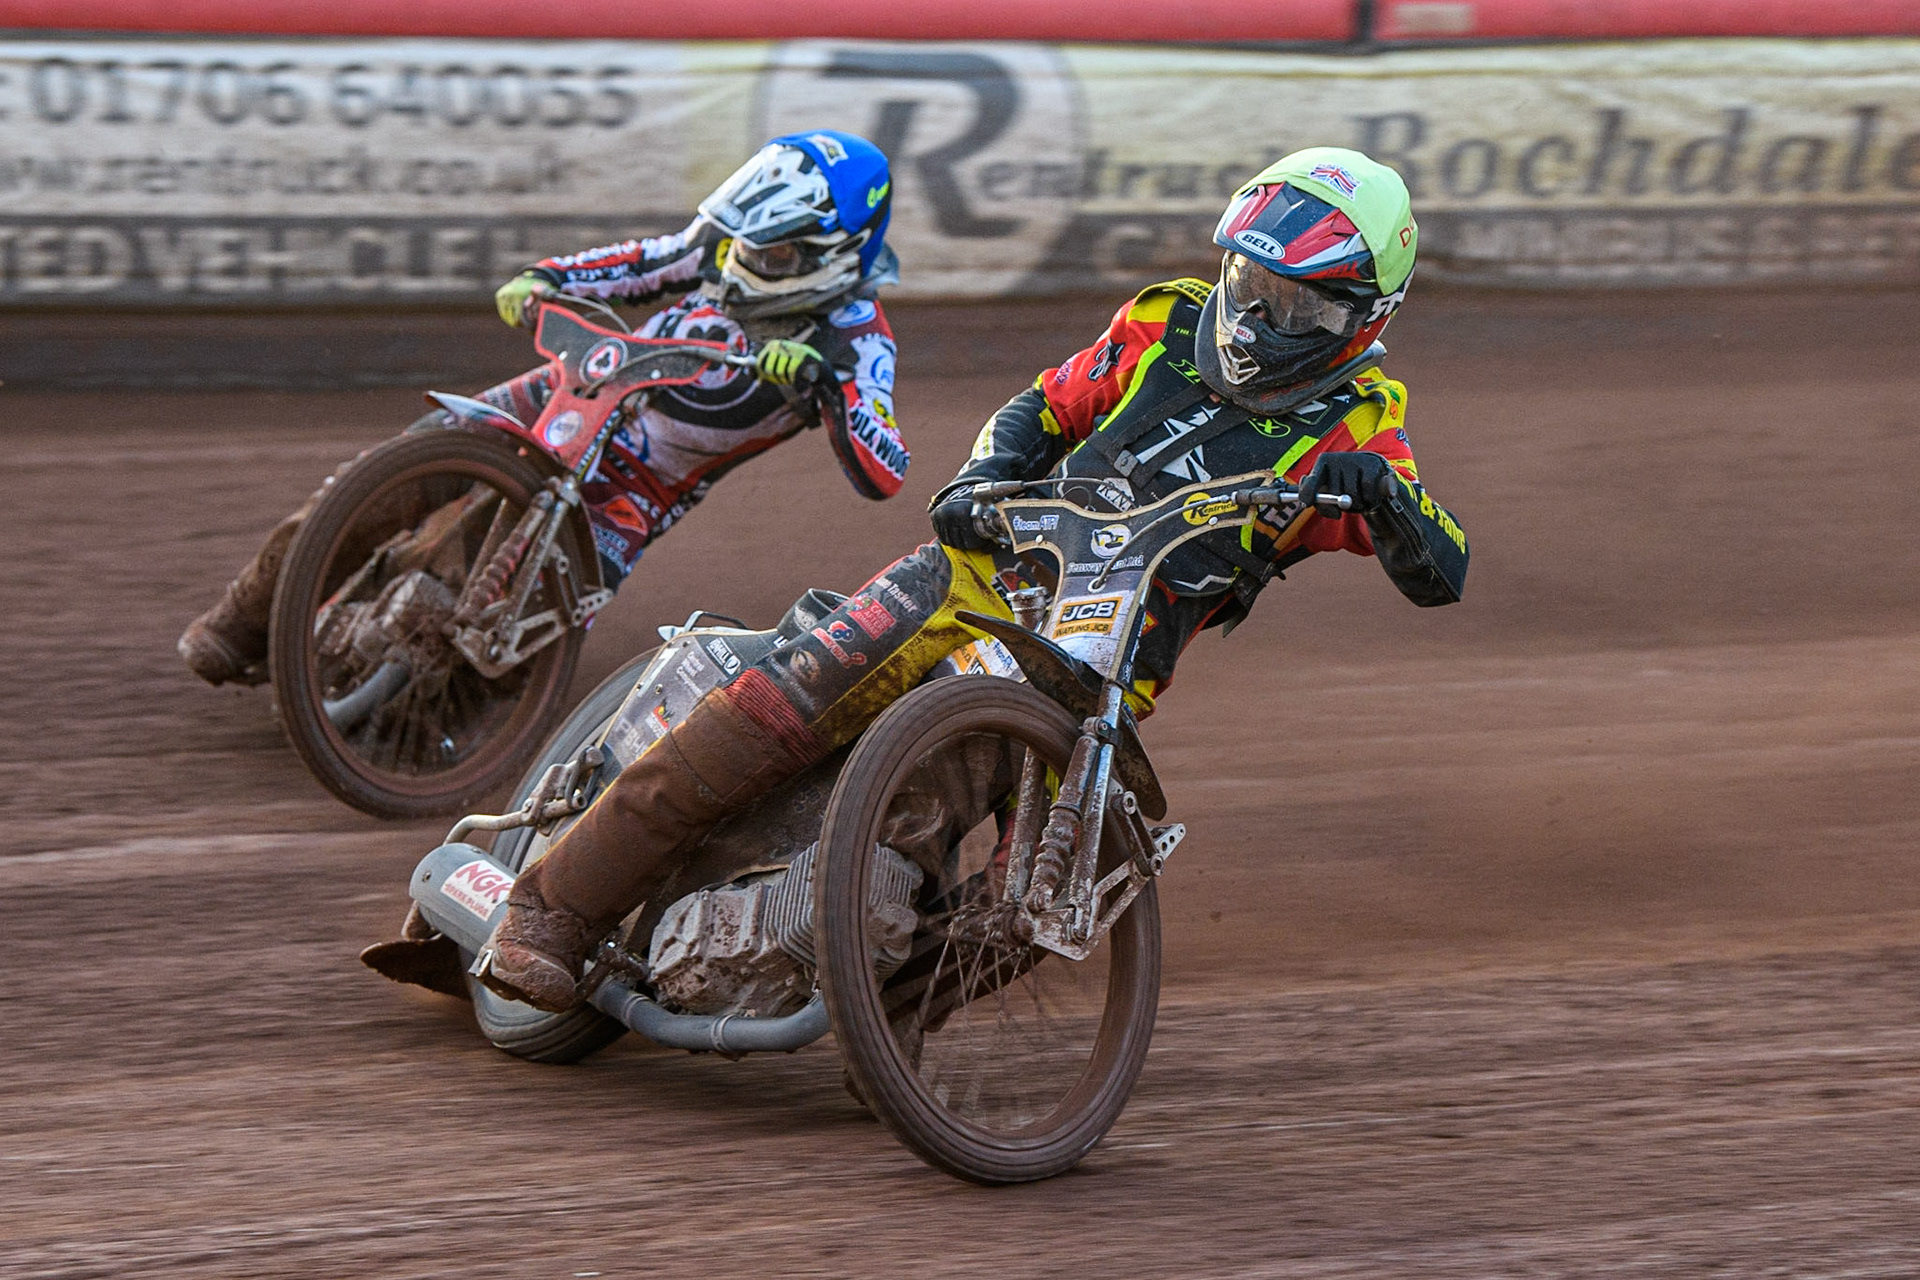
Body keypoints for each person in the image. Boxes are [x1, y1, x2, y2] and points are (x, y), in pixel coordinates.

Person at [468, 146, 1471, 1013]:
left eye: (1289, 301)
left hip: (1094, 665)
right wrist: (982, 475)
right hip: (978, 569)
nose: (1254, 313)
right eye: (1248, 281)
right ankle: (551, 910)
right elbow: (1045, 404)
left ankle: (879, 1025)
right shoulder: (1165, 322)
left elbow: (1444, 567)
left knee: (1019, 873)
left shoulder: (1364, 426)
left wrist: (1382, 495)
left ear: (1360, 313)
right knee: (778, 703)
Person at [178, 130, 909, 686]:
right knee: (379, 480)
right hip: (570, 393)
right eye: (745, 244)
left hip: (630, 490)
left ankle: (346, 673)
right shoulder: (726, 248)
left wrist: (826, 386)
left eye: (774, 257)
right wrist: (546, 277)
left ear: (834, 257)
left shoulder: (857, 340)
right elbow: (644, 261)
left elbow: (887, 470)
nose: (745, 262)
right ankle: (239, 626)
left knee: (475, 641)